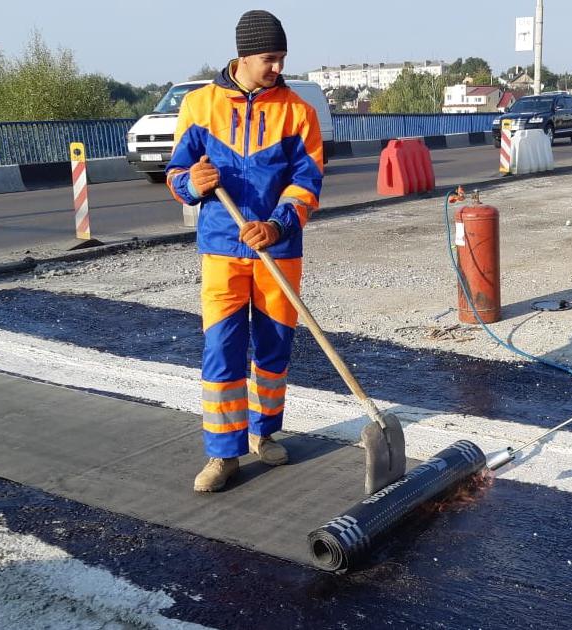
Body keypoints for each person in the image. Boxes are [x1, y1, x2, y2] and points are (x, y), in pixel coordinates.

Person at [165, 9, 323, 492]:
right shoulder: (198, 105)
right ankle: (222, 454)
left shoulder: (298, 111)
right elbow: (176, 174)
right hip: (221, 250)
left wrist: (276, 225)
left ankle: (265, 433)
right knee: (222, 349)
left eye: (281, 58)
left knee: (274, 349)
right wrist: (192, 182)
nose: (277, 67)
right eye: (269, 59)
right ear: (243, 56)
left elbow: (308, 183)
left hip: (279, 251)